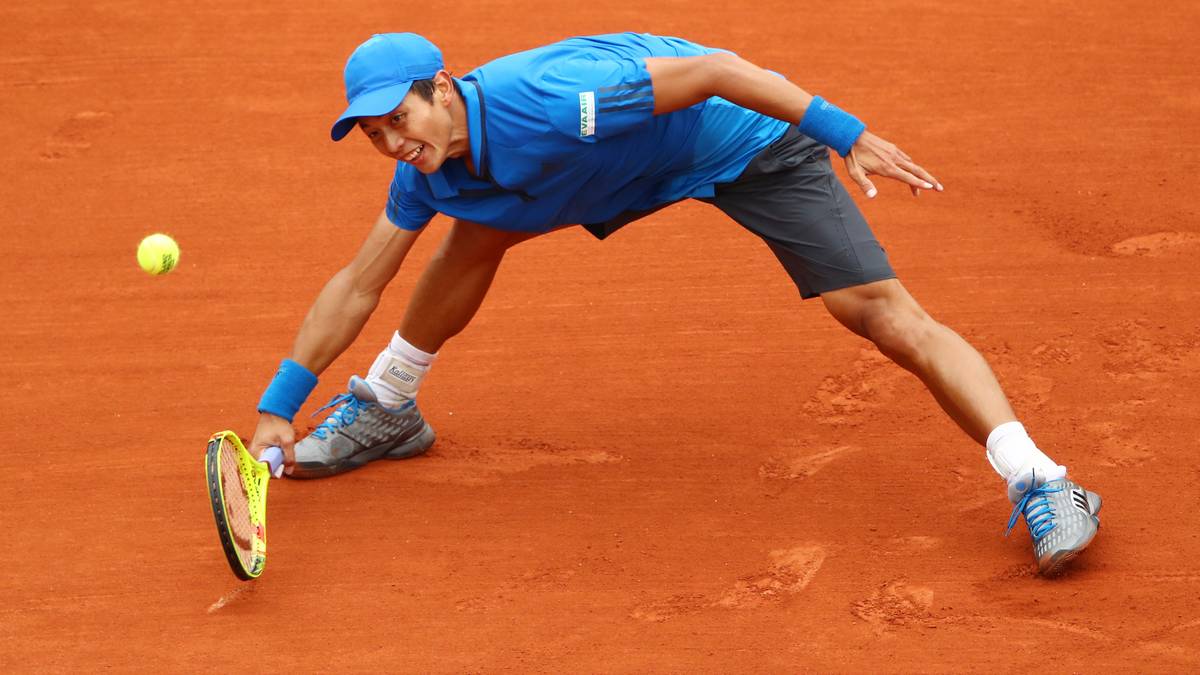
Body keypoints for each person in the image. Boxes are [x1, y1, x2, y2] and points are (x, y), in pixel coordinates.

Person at [248, 32, 1101, 575]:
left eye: (399, 118)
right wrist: (279, 405)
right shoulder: (427, 167)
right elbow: (360, 280)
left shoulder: (552, 99)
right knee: (469, 230)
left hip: (737, 146)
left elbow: (718, 72)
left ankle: (1044, 481)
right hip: (612, 171)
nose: (394, 142)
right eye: (375, 135)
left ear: (441, 88)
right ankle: (390, 403)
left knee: (879, 313)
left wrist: (847, 133)